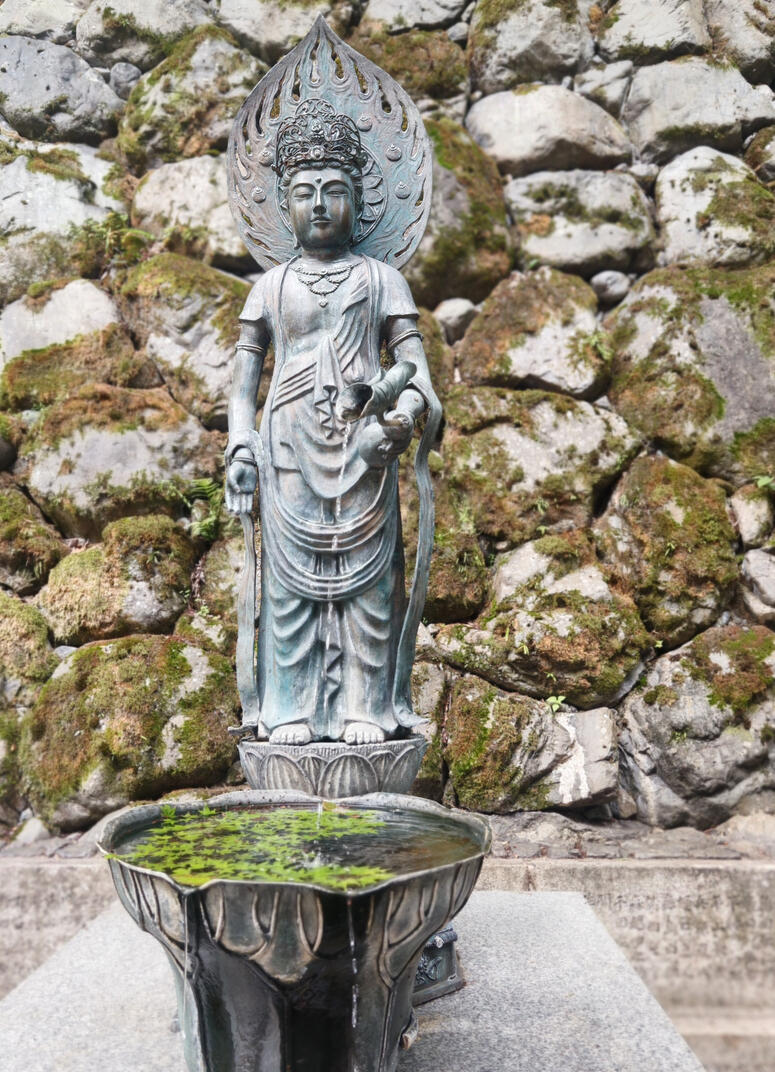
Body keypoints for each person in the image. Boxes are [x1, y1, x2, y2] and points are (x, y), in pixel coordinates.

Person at [225, 99, 437, 746]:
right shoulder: (269, 286)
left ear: (360, 200)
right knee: (287, 592)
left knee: (370, 590)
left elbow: (416, 373)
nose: (318, 205)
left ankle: (364, 709)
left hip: (365, 447)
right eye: (304, 193)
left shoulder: (381, 279)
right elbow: (241, 389)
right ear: (281, 204)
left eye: (333, 191)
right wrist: (240, 446)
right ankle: (287, 707)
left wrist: (401, 414)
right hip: (287, 443)